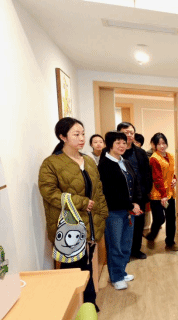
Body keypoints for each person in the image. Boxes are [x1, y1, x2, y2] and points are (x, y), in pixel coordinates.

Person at [38, 117, 109, 309]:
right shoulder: (51, 163)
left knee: (87, 266)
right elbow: (49, 192)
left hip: (91, 224)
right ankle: (73, 310)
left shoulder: (88, 161)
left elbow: (98, 191)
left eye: (83, 134)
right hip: (69, 228)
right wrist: (81, 202)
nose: (82, 138)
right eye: (76, 134)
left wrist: (103, 215)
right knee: (72, 270)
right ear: (63, 137)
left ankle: (89, 304)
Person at [98, 131, 143, 290]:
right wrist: (131, 205)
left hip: (129, 210)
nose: (122, 146)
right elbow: (110, 192)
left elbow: (135, 183)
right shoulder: (105, 165)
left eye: (124, 142)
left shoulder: (125, 162)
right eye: (118, 143)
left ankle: (121, 272)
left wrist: (136, 202)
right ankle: (116, 277)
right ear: (110, 145)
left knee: (126, 244)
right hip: (114, 212)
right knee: (115, 245)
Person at [117, 122, 152, 260]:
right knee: (123, 224)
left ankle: (136, 249)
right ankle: (123, 253)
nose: (129, 135)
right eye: (125, 132)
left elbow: (147, 174)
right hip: (120, 196)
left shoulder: (141, 153)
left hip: (139, 195)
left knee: (138, 224)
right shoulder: (113, 152)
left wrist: (146, 190)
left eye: (131, 132)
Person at [145, 133, 178, 251]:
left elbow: (170, 172)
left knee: (171, 219)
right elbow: (157, 178)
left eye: (163, 143)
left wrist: (174, 179)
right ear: (154, 145)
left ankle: (170, 242)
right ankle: (152, 235)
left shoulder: (170, 156)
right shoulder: (154, 158)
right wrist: (163, 195)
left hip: (170, 193)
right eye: (159, 144)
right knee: (159, 218)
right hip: (157, 195)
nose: (162, 146)